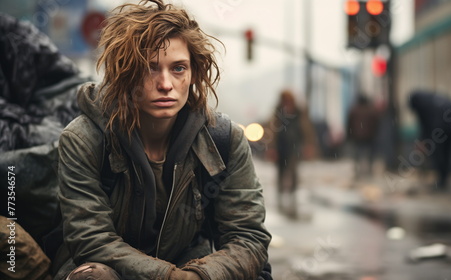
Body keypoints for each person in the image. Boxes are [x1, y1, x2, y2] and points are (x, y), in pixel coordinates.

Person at [52, 1, 271, 279]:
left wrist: (200, 275)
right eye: (150, 68)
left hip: (188, 263)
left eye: (178, 68)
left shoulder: (224, 140)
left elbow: (248, 237)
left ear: (193, 73)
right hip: (108, 269)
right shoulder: (84, 139)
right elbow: (90, 239)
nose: (165, 83)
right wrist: (168, 277)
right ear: (125, 73)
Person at [266, 89, 316, 219]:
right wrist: (271, 147)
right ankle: (281, 195)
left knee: (293, 171)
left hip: (295, 145)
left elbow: (306, 127)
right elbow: (272, 129)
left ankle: (292, 194)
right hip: (281, 146)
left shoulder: (299, 112)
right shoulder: (278, 112)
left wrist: (308, 144)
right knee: (281, 171)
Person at [409, 90, 451, 190]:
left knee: (438, 154)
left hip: (440, 129)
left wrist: (423, 140)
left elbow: (426, 124)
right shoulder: (432, 100)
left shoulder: (422, 105)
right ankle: (444, 179)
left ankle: (442, 181)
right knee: (446, 154)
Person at [347, 94, 381, 178]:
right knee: (369, 153)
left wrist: (349, 135)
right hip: (369, 136)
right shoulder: (372, 111)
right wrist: (375, 133)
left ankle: (358, 168)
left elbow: (349, 124)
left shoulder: (354, 110)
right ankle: (369, 168)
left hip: (357, 136)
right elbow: (376, 124)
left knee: (358, 153)